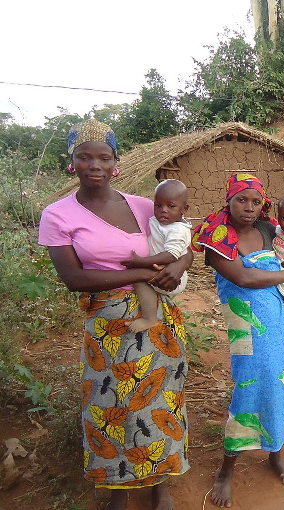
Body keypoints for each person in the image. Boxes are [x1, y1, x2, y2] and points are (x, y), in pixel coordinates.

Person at [38, 119, 192, 510]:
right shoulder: (58, 215)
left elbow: (182, 240)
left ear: (115, 162)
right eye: (83, 156)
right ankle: (118, 489)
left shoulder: (144, 206)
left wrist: (178, 265)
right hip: (107, 325)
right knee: (110, 408)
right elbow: (74, 278)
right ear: (71, 162)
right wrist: (145, 272)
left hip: (156, 319)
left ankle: (162, 483)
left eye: (103, 157)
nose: (94, 164)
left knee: (162, 400)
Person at [191, 174, 284, 507]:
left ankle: (274, 454)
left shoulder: (266, 230)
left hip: (283, 317)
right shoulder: (218, 238)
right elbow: (244, 278)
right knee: (252, 387)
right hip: (249, 327)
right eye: (241, 200)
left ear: (263, 204)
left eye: (255, 201)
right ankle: (226, 471)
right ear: (228, 200)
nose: (248, 207)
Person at [123, 179, 192, 332]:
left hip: (171, 276)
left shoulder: (177, 230)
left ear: (184, 209)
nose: (163, 210)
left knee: (138, 278)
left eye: (171, 206)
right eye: (158, 205)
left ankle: (149, 318)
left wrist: (141, 262)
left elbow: (171, 255)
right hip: (162, 269)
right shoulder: (162, 222)